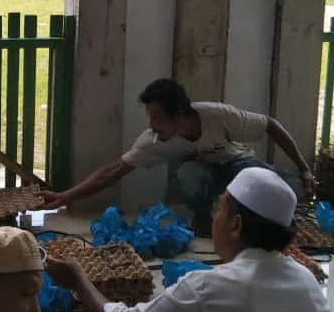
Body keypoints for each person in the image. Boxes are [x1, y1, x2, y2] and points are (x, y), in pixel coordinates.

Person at [46, 167, 333, 312]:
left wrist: (77, 279)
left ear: (236, 225)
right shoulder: (306, 280)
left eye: (219, 208)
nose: (213, 217)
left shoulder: (210, 288)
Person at [42, 78, 317, 233]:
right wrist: (66, 197)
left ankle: (248, 214)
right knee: (186, 173)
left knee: (285, 190)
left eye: (158, 118)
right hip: (207, 178)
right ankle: (205, 218)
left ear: (179, 115)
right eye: (150, 117)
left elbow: (271, 125)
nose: (152, 125)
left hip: (239, 165)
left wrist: (304, 168)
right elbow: (113, 171)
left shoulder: (218, 116)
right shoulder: (154, 140)